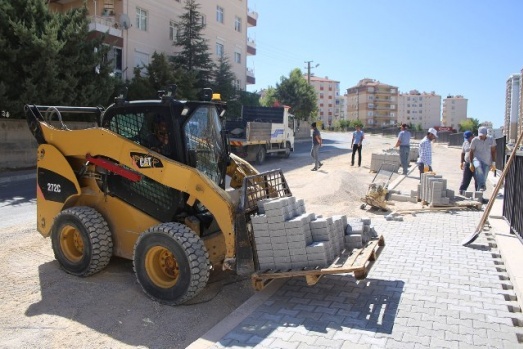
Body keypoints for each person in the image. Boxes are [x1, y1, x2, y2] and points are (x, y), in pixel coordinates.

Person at [469, 126, 496, 191]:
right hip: (477, 159)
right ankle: (482, 186)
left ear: (486, 134)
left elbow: (493, 151)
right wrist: (471, 163)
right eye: (480, 135)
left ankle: (479, 195)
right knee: (478, 166)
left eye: (482, 135)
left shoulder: (491, 139)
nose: (481, 137)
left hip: (487, 161)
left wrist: (493, 162)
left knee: (483, 179)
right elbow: (471, 151)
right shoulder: (474, 140)